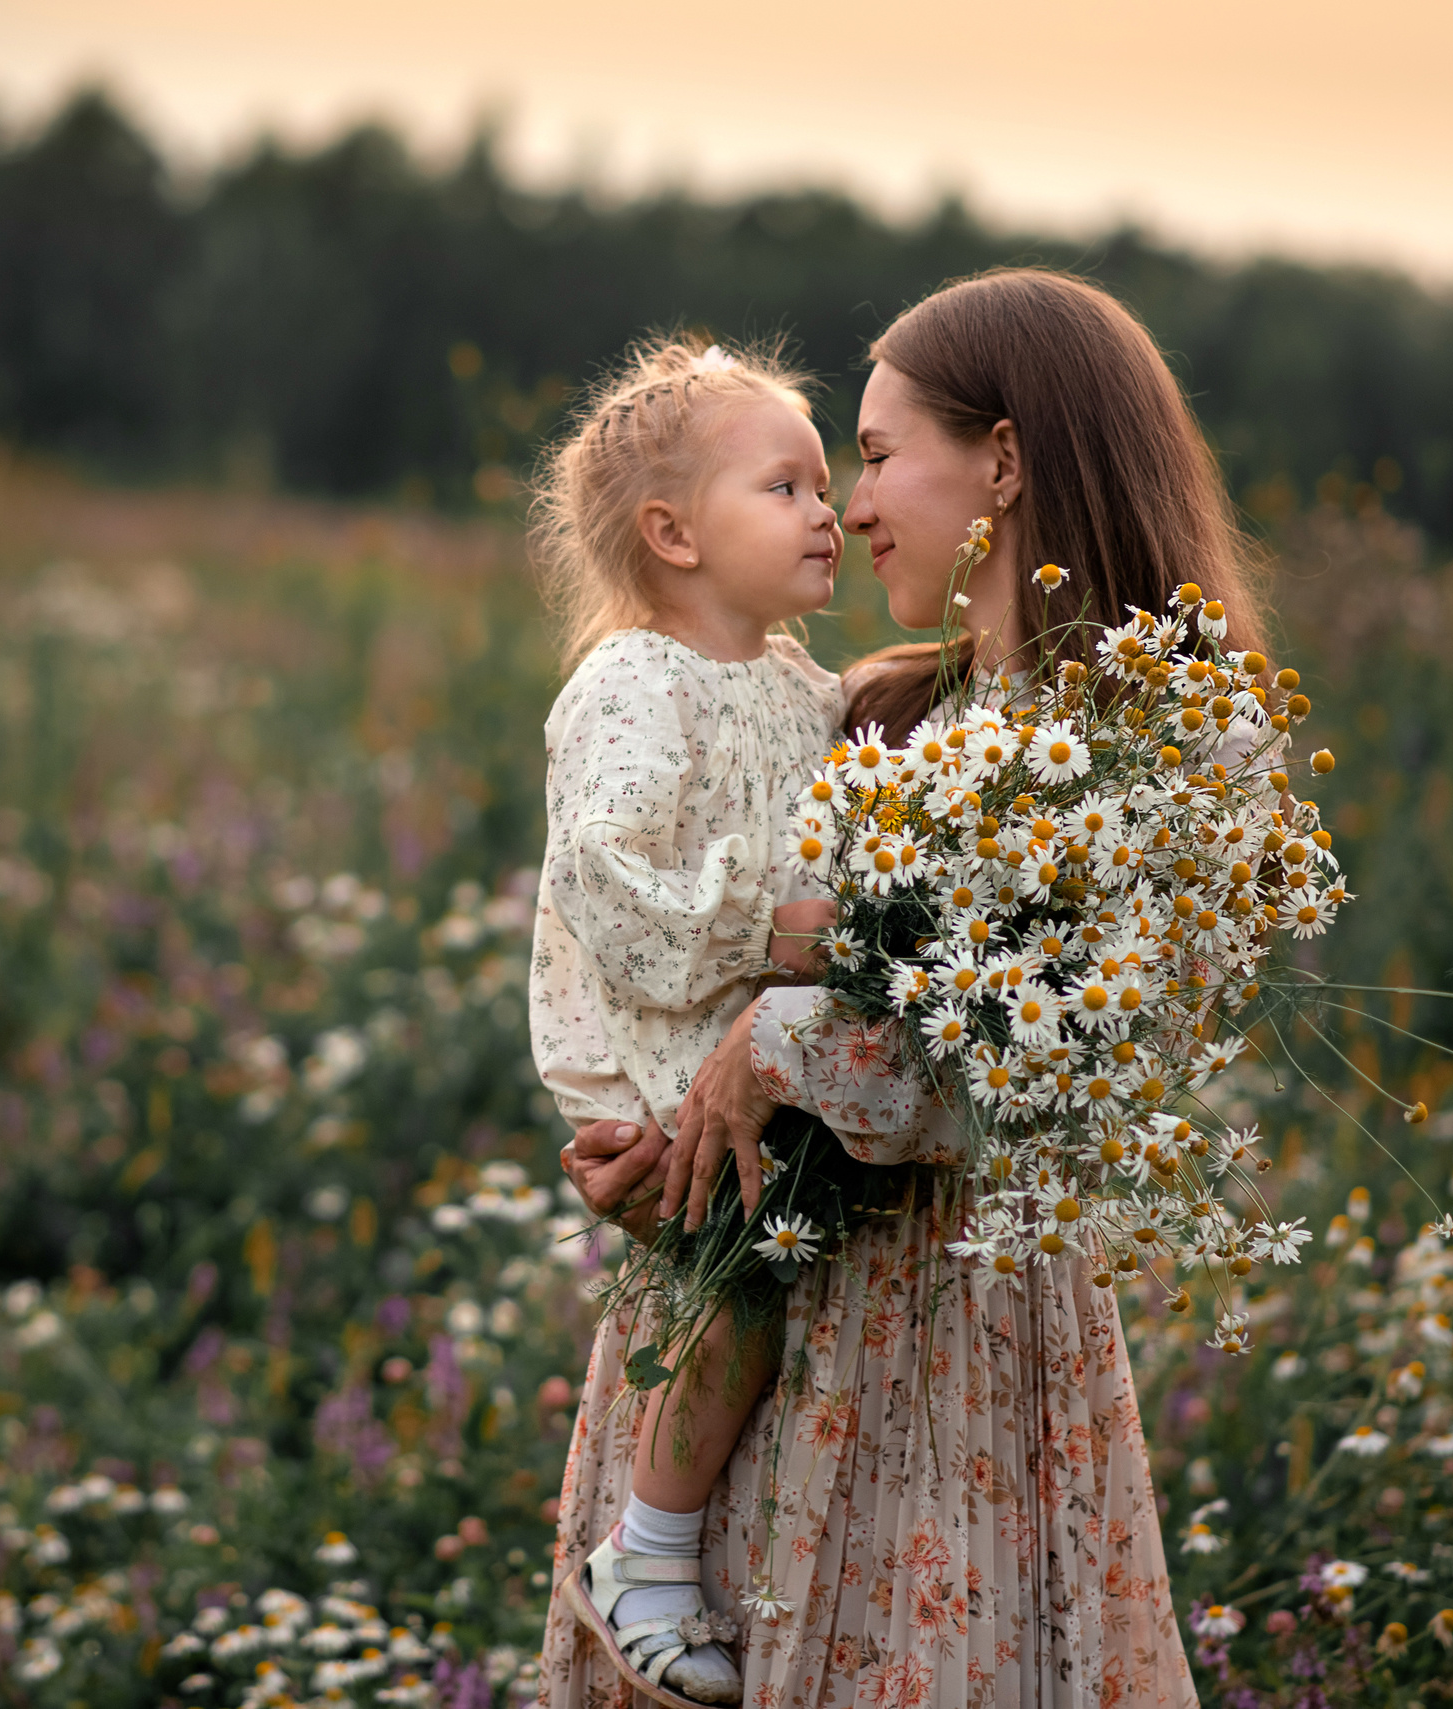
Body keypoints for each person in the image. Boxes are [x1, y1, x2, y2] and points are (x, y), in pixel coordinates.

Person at [546, 270, 1268, 1709]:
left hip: (964, 1355)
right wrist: (668, 1133)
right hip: (752, 1312)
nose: (852, 506)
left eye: (875, 457)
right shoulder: (876, 709)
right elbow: (653, 921)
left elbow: (1100, 1051)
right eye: (830, 470)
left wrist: (779, 1045)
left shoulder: (1174, 731)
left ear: (1005, 457)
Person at [524, 336, 851, 1703]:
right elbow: (614, 887)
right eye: (786, 485)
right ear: (674, 533)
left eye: (830, 484)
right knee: (746, 1285)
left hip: (746, 1041)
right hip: (658, 1044)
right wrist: (774, 920)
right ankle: (645, 1550)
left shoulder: (802, 687)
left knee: (782, 1261)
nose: (828, 510)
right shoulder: (631, 683)